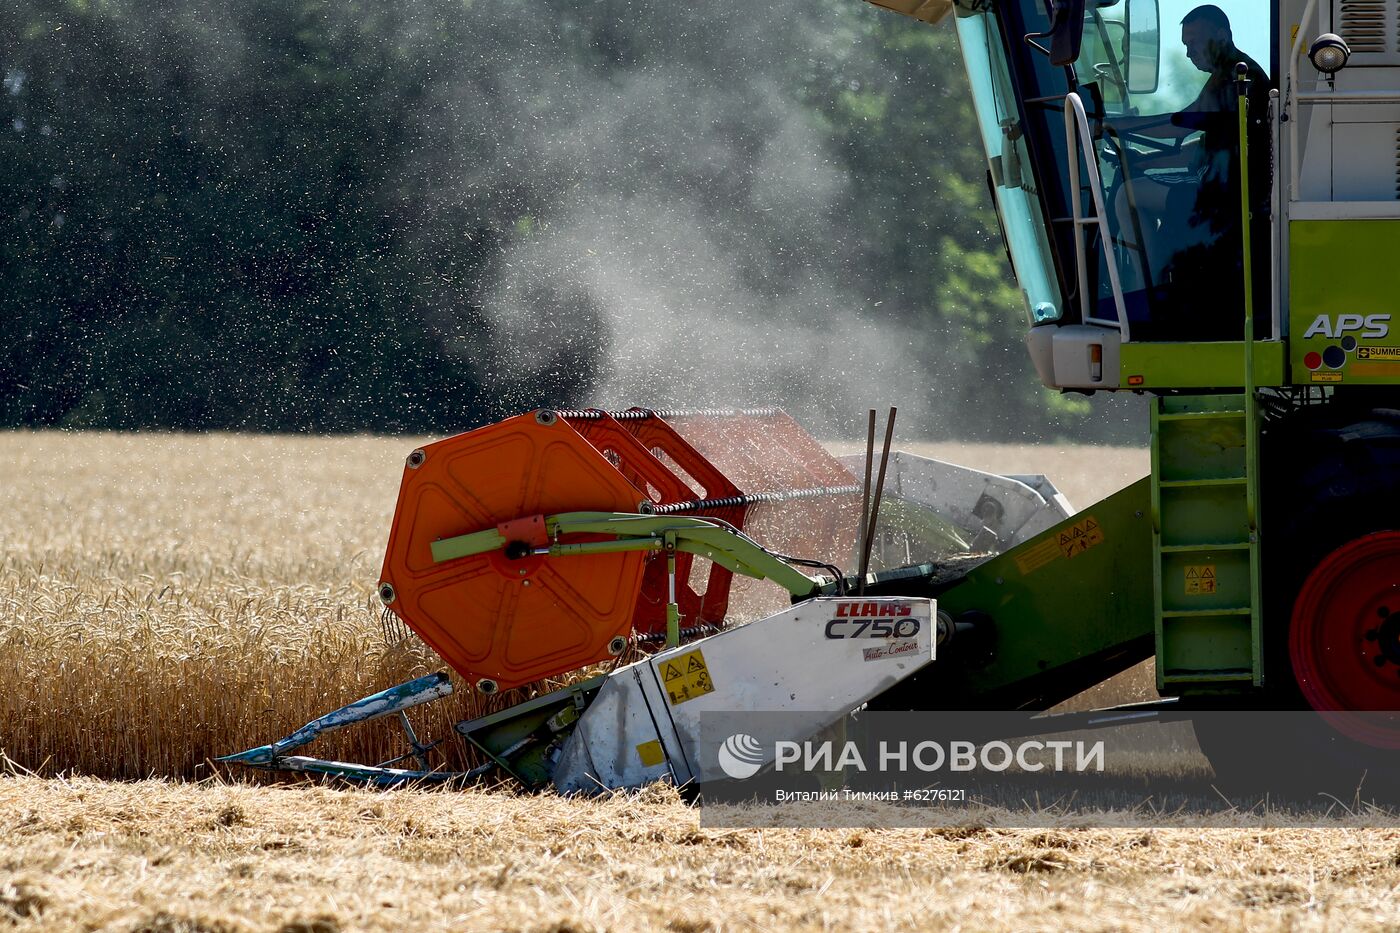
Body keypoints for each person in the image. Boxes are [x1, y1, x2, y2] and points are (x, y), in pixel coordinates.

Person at [1108, 5, 1272, 339]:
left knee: (1128, 195)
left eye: (1194, 42)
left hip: (1223, 201)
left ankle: (1145, 297)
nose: (1189, 52)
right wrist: (1141, 162)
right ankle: (1156, 285)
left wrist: (1114, 125)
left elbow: (1179, 126)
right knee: (1136, 183)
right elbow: (1200, 148)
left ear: (1222, 35)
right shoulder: (1230, 76)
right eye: (1185, 45)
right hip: (1220, 191)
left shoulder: (1236, 76)